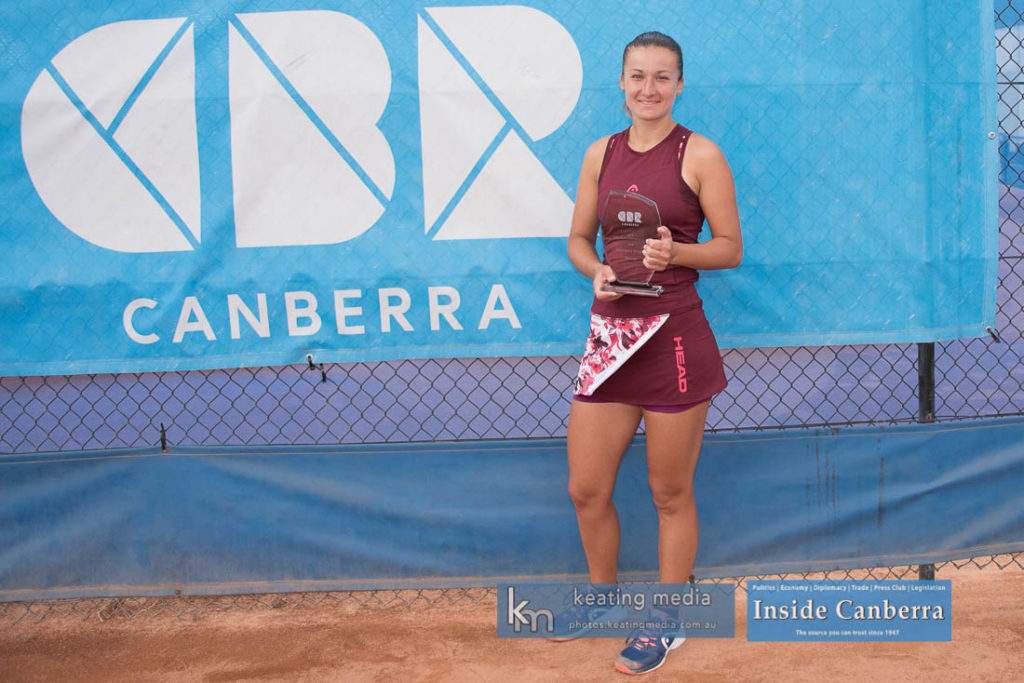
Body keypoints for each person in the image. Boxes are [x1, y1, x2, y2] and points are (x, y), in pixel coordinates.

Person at [565, 31, 743, 675]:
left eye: (662, 77)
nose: (649, 88)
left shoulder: (701, 153)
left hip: (674, 341)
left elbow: (730, 248)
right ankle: (602, 598)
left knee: (669, 492)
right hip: (611, 341)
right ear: (621, 82)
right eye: (637, 76)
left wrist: (678, 253)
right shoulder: (600, 153)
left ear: (679, 85)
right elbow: (578, 239)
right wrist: (596, 272)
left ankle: (668, 620)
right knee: (587, 489)